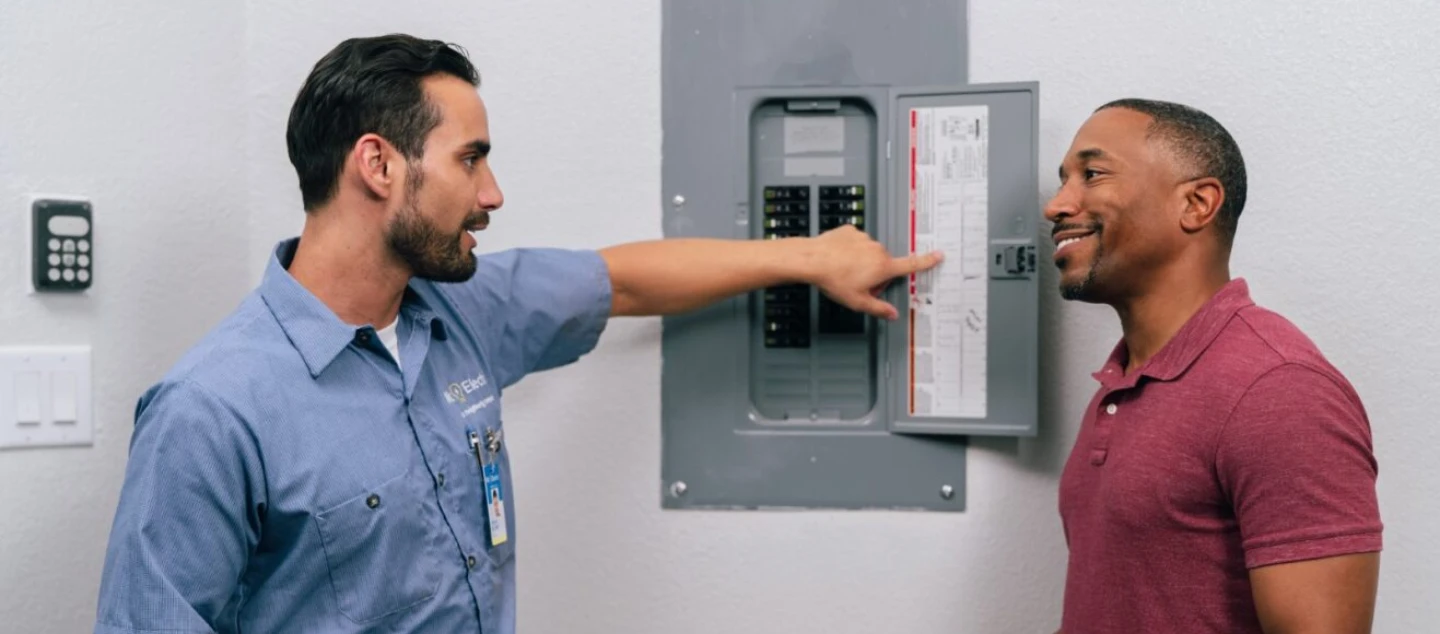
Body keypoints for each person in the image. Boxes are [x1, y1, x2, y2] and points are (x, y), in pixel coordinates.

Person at [92, 34, 941, 634]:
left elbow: (625, 278)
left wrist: (810, 256)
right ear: (379, 165)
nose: (492, 193)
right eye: (471, 159)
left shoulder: (463, 310)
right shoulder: (209, 412)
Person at [1045, 98, 1382, 633]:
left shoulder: (1279, 389)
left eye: (1092, 174)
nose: (1056, 205)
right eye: (1063, 179)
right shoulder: (1123, 383)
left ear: (1198, 204)